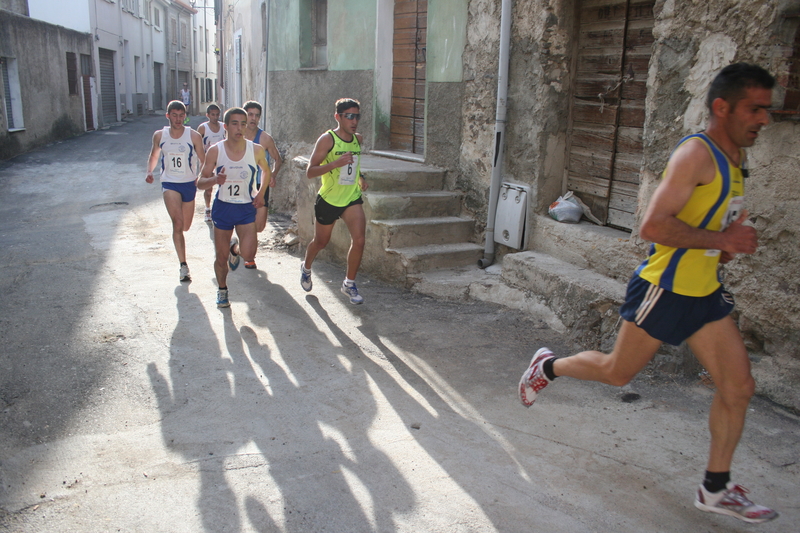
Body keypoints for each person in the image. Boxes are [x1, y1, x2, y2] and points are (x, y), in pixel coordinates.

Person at [519, 64, 779, 524]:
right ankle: (548, 366)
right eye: (755, 108)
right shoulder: (696, 155)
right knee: (618, 373)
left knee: (738, 388)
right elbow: (653, 226)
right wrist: (723, 241)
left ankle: (715, 489)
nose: (764, 119)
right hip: (665, 288)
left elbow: (709, 226)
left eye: (767, 109)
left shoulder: (737, 161)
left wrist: (726, 244)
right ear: (723, 107)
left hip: (704, 293)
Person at [197, 107, 270, 308]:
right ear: (226, 126)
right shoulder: (215, 151)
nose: (240, 128)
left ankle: (234, 249)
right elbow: (200, 182)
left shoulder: (255, 150)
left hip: (246, 207)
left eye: (243, 124)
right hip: (223, 208)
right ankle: (222, 290)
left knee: (249, 254)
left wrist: (261, 193)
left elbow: (266, 171)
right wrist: (214, 179)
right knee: (220, 258)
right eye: (235, 123)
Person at [300, 98, 368, 305]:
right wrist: (335, 163)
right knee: (321, 242)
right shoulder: (327, 140)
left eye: (357, 116)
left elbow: (353, 166)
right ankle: (306, 267)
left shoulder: (358, 139)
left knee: (360, 240)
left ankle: (349, 283)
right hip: (329, 200)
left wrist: (360, 177)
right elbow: (310, 171)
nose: (354, 120)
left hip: (351, 198)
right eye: (349, 116)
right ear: (337, 117)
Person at [145, 100, 205, 282]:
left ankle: (183, 262)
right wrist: (149, 171)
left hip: (188, 183)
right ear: (168, 116)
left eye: (181, 116)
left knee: (185, 226)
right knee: (177, 224)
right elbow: (154, 155)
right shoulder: (159, 135)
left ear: (185, 117)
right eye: (174, 115)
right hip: (170, 183)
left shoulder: (193, 136)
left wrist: (200, 176)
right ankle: (183, 266)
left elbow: (204, 159)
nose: (178, 119)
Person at [242, 100, 282, 268]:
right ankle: (250, 258)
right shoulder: (237, 135)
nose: (253, 118)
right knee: (246, 223)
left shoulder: (265, 138)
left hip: (260, 185)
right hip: (241, 185)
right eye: (250, 115)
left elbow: (278, 159)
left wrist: (272, 174)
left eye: (257, 115)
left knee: (259, 226)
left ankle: (237, 248)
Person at [197, 104, 226, 222]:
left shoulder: (224, 127)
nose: (215, 117)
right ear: (207, 115)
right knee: (208, 187)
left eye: (217, 114)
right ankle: (208, 208)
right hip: (207, 161)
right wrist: (202, 161)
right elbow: (197, 145)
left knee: (223, 185)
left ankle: (221, 208)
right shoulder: (203, 128)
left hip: (222, 161)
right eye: (212, 115)